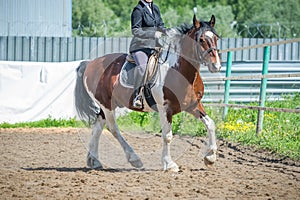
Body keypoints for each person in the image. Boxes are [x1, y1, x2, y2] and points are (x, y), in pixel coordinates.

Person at [129, 0, 167, 109]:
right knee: (142, 68)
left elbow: (160, 25)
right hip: (140, 47)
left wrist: (167, 31)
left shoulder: (155, 8)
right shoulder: (138, 10)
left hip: (155, 46)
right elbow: (135, 31)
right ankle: (137, 96)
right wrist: (153, 34)